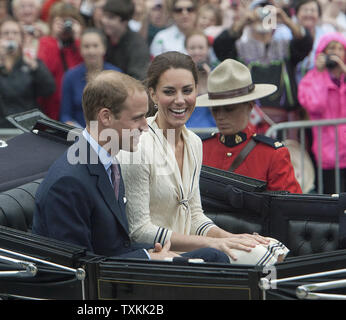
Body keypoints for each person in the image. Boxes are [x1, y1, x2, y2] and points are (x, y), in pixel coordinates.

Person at [32, 70, 229, 263]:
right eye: (137, 118)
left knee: (214, 257)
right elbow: (78, 266)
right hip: (104, 284)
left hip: (121, 268)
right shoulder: (69, 182)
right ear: (106, 117)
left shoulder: (108, 163)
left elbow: (115, 246)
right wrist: (147, 257)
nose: (145, 126)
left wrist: (152, 253)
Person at [119, 51, 288, 265]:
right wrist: (210, 244)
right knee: (264, 260)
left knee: (275, 249)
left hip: (192, 252)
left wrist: (233, 238)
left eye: (187, 90)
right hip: (157, 255)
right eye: (169, 91)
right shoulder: (137, 145)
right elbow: (139, 231)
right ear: (152, 94)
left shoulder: (194, 143)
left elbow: (195, 216)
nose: (180, 100)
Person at [198, 58, 303, 194]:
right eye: (215, 110)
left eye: (229, 109)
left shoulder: (272, 154)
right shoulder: (201, 149)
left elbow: (289, 206)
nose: (220, 116)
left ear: (249, 106)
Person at [213, 1, 313, 134]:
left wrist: (285, 19)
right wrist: (244, 21)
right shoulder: (240, 48)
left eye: (268, 14)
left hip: (285, 120)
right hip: (251, 118)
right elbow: (220, 45)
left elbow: (305, 41)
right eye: (259, 13)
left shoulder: (285, 46)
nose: (263, 18)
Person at [0, 18, 55, 148]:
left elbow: (49, 89)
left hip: (26, 129)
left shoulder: (30, 63)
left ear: (21, 38)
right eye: (5, 33)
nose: (10, 36)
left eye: (14, 33)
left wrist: (35, 66)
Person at [298, 32, 346, 194]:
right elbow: (315, 105)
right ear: (322, 52)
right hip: (328, 154)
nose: (337, 52)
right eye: (332, 48)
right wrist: (319, 74)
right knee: (334, 202)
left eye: (341, 48)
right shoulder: (310, 79)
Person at [60, 27, 121, 128]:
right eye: (86, 46)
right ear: (80, 49)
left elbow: (122, 112)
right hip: (78, 134)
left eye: (95, 46)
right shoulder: (70, 76)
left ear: (104, 48)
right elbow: (65, 115)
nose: (91, 51)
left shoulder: (116, 75)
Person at [36, 2, 85, 120]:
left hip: (78, 107)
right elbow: (46, 70)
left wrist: (78, 39)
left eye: (69, 22)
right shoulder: (46, 43)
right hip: (51, 106)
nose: (65, 26)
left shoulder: (81, 44)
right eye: (60, 22)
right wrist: (55, 38)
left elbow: (87, 67)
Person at [100, 0, 150, 80]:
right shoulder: (100, 37)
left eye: (111, 18)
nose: (104, 21)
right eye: (104, 16)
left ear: (125, 21)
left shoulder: (137, 45)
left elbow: (138, 78)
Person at [184, 30, 216, 128]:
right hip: (187, 129)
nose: (197, 52)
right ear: (186, 49)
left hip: (212, 129)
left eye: (201, 48)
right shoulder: (180, 75)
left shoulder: (216, 74)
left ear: (207, 49)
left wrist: (210, 83)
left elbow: (219, 111)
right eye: (192, 48)